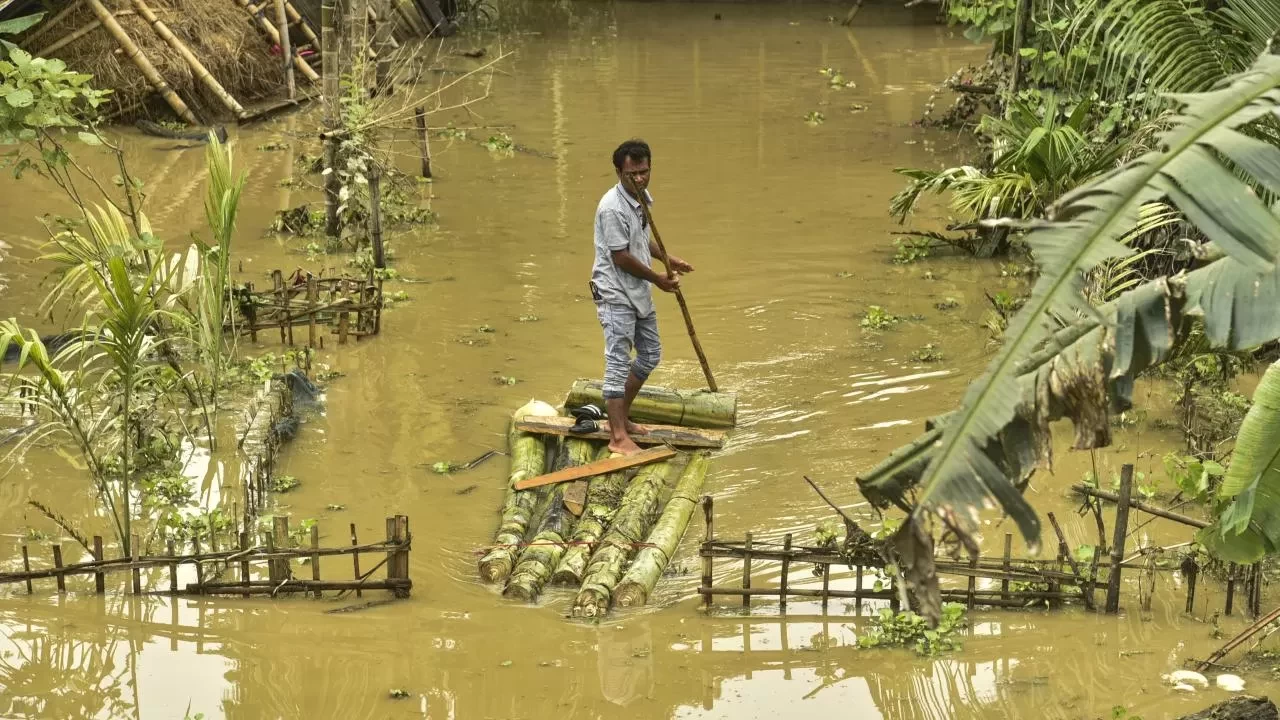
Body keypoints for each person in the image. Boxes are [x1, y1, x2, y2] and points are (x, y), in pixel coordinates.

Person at [589, 139, 693, 455]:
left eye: (644, 172)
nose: (639, 179)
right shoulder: (612, 207)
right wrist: (658, 279)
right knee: (618, 361)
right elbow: (620, 256)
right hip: (614, 291)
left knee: (650, 354)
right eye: (632, 174)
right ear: (619, 171)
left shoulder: (639, 198)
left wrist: (667, 259)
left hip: (637, 289)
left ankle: (620, 418)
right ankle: (618, 437)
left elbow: (641, 241)